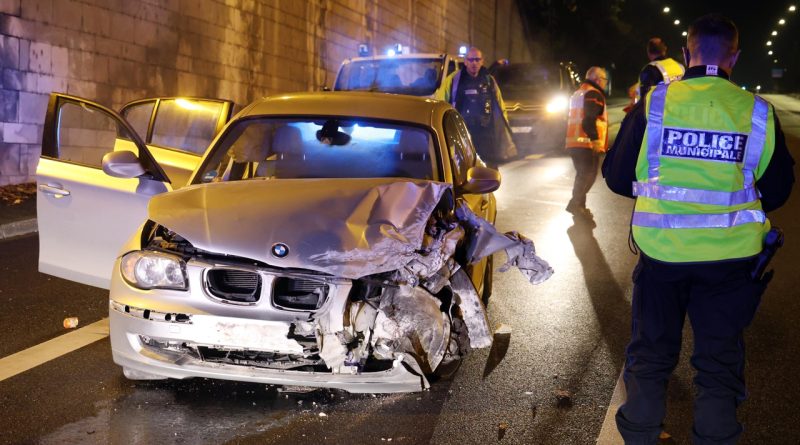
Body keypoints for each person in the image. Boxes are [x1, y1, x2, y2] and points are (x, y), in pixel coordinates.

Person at [602, 14, 795, 444]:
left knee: (651, 356)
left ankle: (639, 436)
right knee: (718, 364)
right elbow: (779, 191)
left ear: (687, 52)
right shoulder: (756, 112)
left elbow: (616, 178)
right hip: (730, 264)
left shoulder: (654, 104)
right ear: (735, 57)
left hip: (662, 257)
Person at [436, 47, 516, 167]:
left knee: (489, 170)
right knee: (464, 167)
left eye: (477, 60)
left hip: (486, 134)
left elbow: (500, 106)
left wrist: (504, 130)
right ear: (466, 62)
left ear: (482, 61)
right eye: (471, 59)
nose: (474, 63)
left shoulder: (489, 81)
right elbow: (440, 103)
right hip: (462, 132)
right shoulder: (453, 80)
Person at [564, 66, 608, 218]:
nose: (605, 83)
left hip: (573, 142)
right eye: (604, 80)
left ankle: (579, 206)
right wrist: (595, 140)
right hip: (586, 143)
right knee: (588, 175)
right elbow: (589, 120)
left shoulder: (578, 92)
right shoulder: (593, 93)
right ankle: (575, 204)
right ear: (597, 79)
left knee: (582, 175)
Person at [624, 38, 685, 113]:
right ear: (664, 50)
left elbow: (644, 101)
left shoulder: (649, 70)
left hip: (659, 119)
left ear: (648, 52)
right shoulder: (680, 67)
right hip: (680, 114)